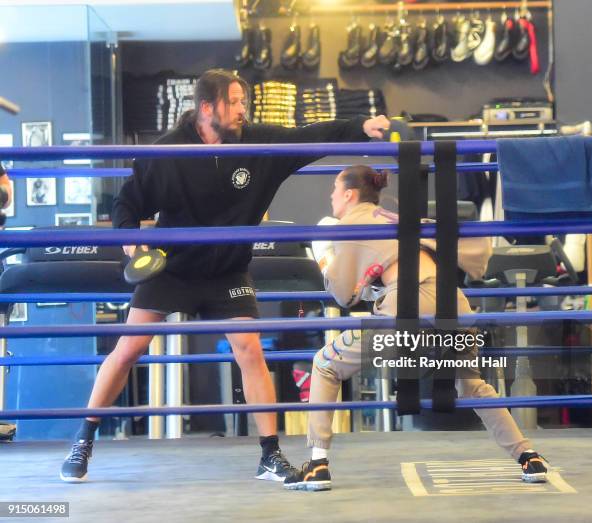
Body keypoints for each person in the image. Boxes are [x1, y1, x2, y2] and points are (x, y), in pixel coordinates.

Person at [60, 69, 390, 483]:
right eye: (233, 102)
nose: (241, 110)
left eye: (242, 102)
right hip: (173, 266)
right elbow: (128, 202)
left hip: (227, 269)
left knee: (249, 350)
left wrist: (360, 126)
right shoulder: (167, 153)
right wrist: (130, 241)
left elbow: (310, 134)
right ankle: (84, 438)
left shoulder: (259, 143)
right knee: (129, 348)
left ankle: (269, 455)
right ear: (206, 109)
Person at [284, 165, 549, 491]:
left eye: (334, 190)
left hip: (407, 310)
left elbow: (341, 295)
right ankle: (529, 457)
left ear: (349, 194)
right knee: (472, 385)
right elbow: (473, 252)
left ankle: (318, 464)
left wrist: (325, 261)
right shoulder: (398, 219)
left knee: (324, 364)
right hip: (454, 305)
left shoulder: (351, 223)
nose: (331, 196)